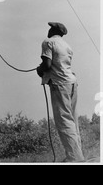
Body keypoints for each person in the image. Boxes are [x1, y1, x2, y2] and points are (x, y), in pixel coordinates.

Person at [37, 22, 85, 162]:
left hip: (60, 84)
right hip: (72, 83)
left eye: (50, 28)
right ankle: (77, 155)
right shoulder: (67, 46)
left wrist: (40, 70)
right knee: (72, 121)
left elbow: (47, 65)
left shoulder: (48, 42)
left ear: (53, 30)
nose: (48, 30)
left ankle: (74, 158)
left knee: (64, 121)